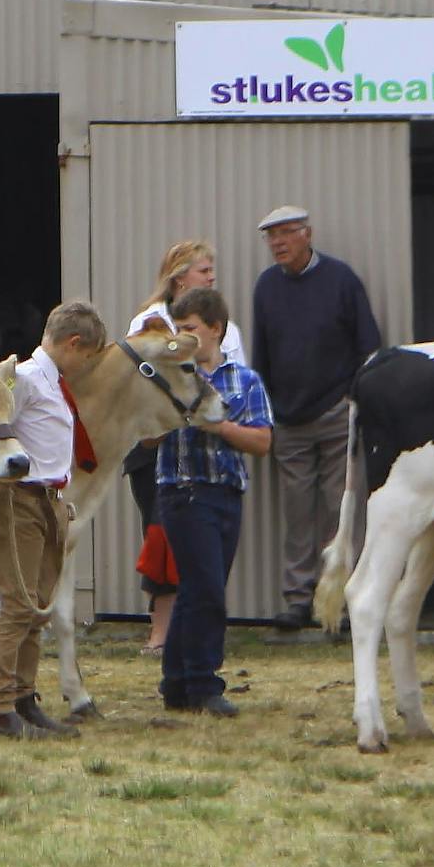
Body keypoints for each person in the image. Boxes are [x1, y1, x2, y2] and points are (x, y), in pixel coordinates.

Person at [251, 206, 381, 630]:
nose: (277, 244)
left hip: (336, 414)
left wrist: (352, 401)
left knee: (337, 512)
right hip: (288, 419)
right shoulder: (267, 287)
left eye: (285, 234)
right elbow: (262, 356)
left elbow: (370, 347)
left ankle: (340, 603)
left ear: (307, 234)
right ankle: (297, 600)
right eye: (271, 238)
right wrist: (267, 411)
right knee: (297, 514)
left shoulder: (341, 280)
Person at [0, 299, 104, 740]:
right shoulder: (29, 380)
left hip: (51, 498)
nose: (85, 366)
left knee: (38, 606)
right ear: (73, 345)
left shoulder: (51, 384)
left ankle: (22, 697)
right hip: (23, 498)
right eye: (87, 357)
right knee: (18, 604)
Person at [124, 240, 247, 655]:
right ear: (179, 277)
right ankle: (161, 632)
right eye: (204, 270)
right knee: (161, 533)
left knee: (204, 537)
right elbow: (135, 380)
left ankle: (194, 629)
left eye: (211, 271)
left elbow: (237, 376)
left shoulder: (224, 325)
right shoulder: (149, 321)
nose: (212, 277)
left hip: (207, 439)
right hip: (157, 442)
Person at [154, 287, 273, 716]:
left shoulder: (245, 380)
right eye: (179, 329)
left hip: (227, 492)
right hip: (182, 491)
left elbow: (261, 441)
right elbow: (145, 437)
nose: (184, 337)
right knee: (206, 590)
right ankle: (205, 683)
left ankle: (176, 684)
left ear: (216, 329)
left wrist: (218, 425)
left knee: (199, 589)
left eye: (191, 329)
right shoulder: (168, 377)